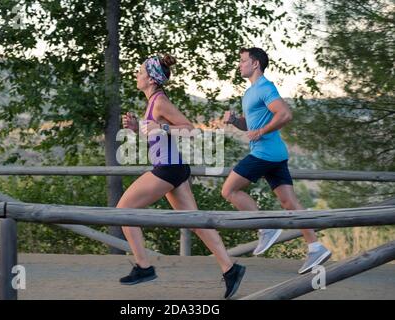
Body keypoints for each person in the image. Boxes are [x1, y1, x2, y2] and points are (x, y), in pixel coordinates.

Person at [119, 53, 245, 299]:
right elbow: (157, 136)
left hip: (167, 169)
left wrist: (161, 127)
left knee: (123, 209)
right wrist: (136, 129)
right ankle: (230, 269)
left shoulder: (160, 101)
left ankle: (144, 267)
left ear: (152, 79)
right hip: (173, 167)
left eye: (141, 71)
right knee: (195, 222)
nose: (137, 74)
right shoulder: (153, 102)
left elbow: (190, 130)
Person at [222, 47, 331, 274]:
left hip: (264, 153)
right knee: (289, 203)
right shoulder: (250, 92)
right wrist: (235, 121)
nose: (239, 65)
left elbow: (285, 114)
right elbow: (249, 126)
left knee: (229, 190)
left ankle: (266, 227)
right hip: (276, 154)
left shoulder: (265, 87)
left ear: (255, 64)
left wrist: (261, 131)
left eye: (243, 61)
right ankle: (316, 247)